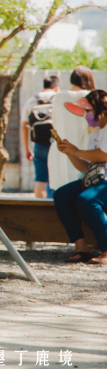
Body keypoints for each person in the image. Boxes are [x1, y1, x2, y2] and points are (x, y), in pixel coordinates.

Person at [52, 89, 107, 265]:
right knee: (62, 195)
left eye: (88, 111)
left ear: (101, 109)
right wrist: (70, 153)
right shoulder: (95, 134)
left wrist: (77, 150)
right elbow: (87, 167)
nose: (85, 115)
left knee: (87, 200)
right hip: (96, 180)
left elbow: (103, 155)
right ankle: (81, 246)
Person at [48, 66, 96, 193]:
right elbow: (94, 128)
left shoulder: (58, 97)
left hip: (61, 149)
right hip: (84, 150)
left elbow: (55, 124)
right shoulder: (91, 97)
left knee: (61, 193)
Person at [21, 75, 61, 198]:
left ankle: (40, 207)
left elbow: (24, 126)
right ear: (56, 87)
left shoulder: (31, 101)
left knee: (40, 178)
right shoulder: (58, 100)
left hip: (38, 145)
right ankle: (54, 207)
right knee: (56, 178)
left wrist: (27, 149)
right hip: (56, 145)